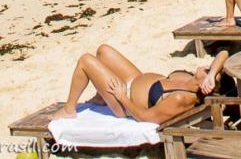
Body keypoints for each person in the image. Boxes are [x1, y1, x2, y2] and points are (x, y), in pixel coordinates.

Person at [52, 44, 228, 122]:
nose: (206, 66)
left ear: (208, 86)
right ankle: (101, 97)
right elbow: (224, 54)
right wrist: (212, 74)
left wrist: (122, 97)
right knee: (103, 50)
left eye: (208, 70)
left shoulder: (181, 98)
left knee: (86, 61)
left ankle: (69, 109)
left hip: (125, 103)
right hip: (135, 80)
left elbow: (146, 118)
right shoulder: (190, 79)